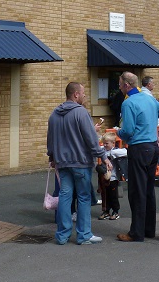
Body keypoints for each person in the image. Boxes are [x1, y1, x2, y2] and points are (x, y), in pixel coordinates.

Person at [47, 82, 111, 245]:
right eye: (83, 93)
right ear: (75, 94)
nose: (84, 96)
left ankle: (62, 235)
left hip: (62, 163)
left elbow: (50, 139)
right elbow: (91, 139)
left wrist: (52, 157)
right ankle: (84, 235)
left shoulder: (54, 114)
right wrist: (103, 156)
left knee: (65, 196)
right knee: (83, 197)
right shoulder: (81, 113)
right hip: (81, 162)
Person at [114, 71, 159, 242]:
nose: (118, 87)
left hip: (139, 148)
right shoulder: (148, 98)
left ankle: (136, 233)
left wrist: (119, 132)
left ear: (126, 85)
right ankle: (148, 230)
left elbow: (129, 130)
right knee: (148, 190)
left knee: (137, 191)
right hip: (153, 147)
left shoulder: (128, 103)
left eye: (119, 83)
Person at [98, 132, 127, 221]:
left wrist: (112, 153)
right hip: (104, 178)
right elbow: (96, 148)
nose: (105, 145)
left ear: (113, 143)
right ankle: (106, 211)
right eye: (104, 143)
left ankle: (115, 211)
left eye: (107, 143)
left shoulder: (116, 151)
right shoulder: (103, 149)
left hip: (113, 178)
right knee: (105, 195)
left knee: (113, 196)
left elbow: (125, 152)